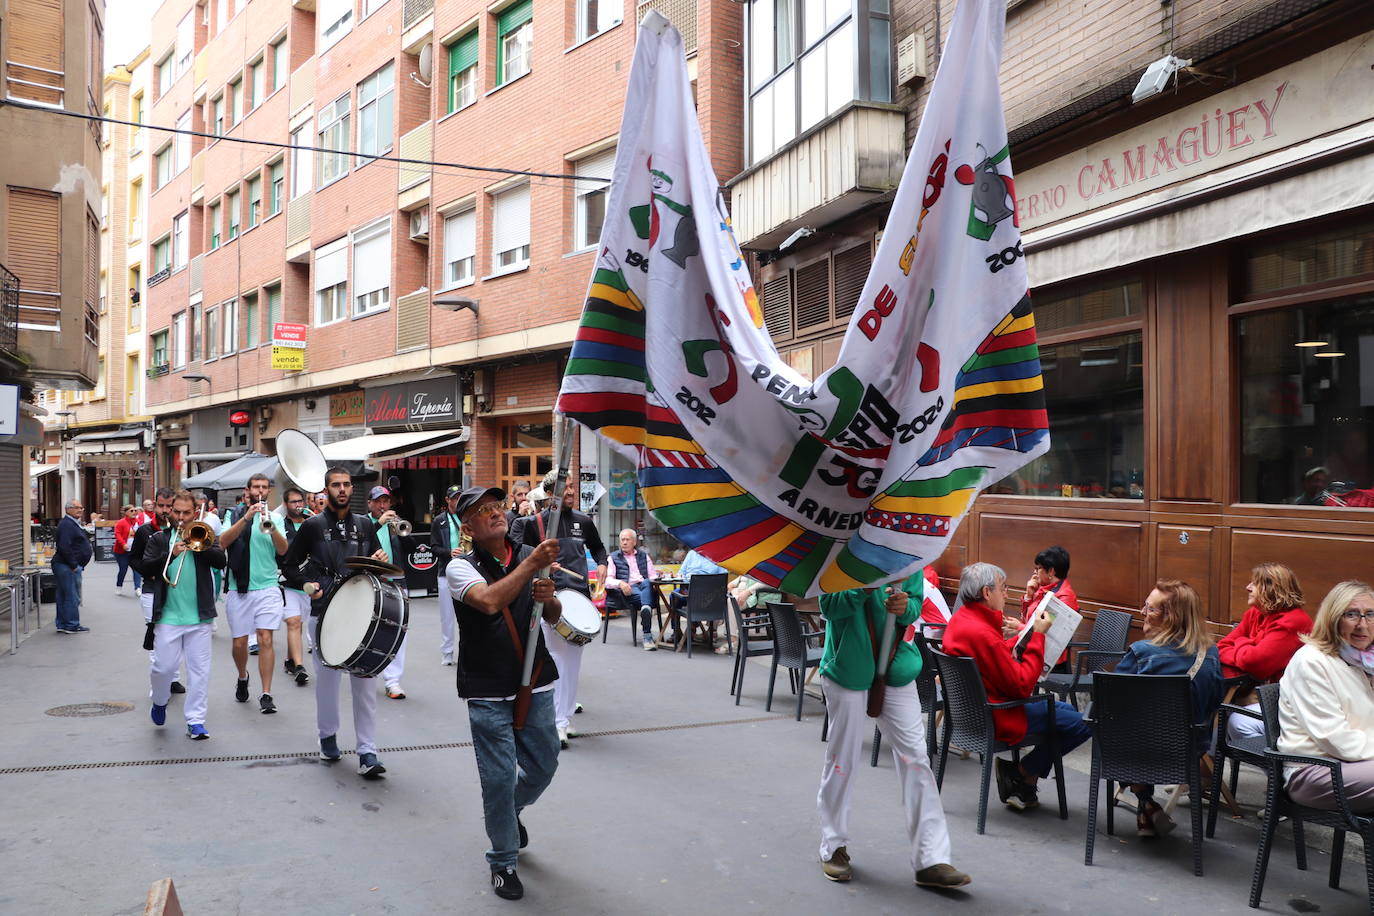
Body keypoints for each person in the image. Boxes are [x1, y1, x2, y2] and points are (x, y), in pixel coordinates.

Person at [445, 485, 563, 901]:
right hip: (487, 686)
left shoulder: (528, 550)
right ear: (468, 527)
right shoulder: (460, 567)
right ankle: (503, 860)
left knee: (545, 765)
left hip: (535, 675)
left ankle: (510, 814)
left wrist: (549, 599)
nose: (495, 513)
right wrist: (533, 565)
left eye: (498, 506)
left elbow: (551, 613)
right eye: (483, 511)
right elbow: (490, 601)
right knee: (497, 779)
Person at [816, 575, 971, 889]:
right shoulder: (843, 553)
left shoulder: (909, 551)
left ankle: (931, 858)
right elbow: (829, 607)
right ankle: (833, 846)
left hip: (896, 669)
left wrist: (904, 607)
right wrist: (863, 588)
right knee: (842, 760)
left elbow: (915, 607)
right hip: (848, 668)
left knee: (916, 758)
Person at [940, 562, 1092, 812]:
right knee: (1084, 722)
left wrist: (1016, 643)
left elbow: (992, 659)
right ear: (987, 593)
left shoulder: (961, 620)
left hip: (974, 713)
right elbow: (1021, 686)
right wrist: (1039, 636)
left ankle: (1024, 779)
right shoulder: (982, 633)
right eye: (1003, 588)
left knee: (1067, 716)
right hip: (999, 714)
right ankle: (1022, 772)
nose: (1007, 593)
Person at [281, 467, 391, 778]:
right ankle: (327, 735)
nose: (341, 489)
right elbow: (289, 565)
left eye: (345, 484)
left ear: (351, 488)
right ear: (326, 489)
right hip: (325, 611)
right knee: (328, 684)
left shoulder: (365, 526)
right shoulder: (312, 526)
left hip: (361, 612)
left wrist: (379, 562)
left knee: (365, 684)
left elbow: (371, 566)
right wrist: (305, 585)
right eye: (335, 485)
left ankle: (367, 751)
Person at [1114, 579, 1223, 836]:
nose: (1143, 613)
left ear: (1171, 618)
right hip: (1188, 755)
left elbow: (1111, 705)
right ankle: (1146, 808)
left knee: (1117, 728)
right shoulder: (1211, 655)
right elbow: (1214, 703)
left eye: (1151, 609)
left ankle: (1145, 801)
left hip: (1133, 755)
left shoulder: (1141, 653)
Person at [512, 469, 608, 749]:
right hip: (549, 598)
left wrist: (602, 564)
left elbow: (599, 548)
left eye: (572, 488)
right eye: (565, 489)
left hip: (579, 599)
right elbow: (515, 553)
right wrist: (538, 561)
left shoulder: (583, 521)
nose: (570, 493)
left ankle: (564, 718)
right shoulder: (535, 524)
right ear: (551, 493)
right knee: (556, 658)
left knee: (572, 662)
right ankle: (557, 722)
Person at [1277, 580, 1374, 813]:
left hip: (1361, 762)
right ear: (1333, 619)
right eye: (1352, 615)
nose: (1363, 625)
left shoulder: (1366, 660)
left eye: (1370, 614)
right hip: (1316, 770)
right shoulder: (1312, 661)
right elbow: (1334, 738)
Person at [143, 489, 227, 739]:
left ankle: (196, 720)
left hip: (199, 617)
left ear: (195, 513)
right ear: (170, 511)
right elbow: (147, 568)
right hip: (168, 616)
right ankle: (159, 700)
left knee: (200, 672)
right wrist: (172, 555)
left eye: (186, 513)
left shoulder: (202, 536)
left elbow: (220, 561)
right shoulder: (160, 539)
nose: (181, 517)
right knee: (163, 668)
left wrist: (200, 546)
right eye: (176, 512)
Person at [218, 473, 290, 714]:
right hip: (240, 588)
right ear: (247, 491)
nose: (260, 490)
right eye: (255, 487)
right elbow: (222, 542)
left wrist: (270, 526)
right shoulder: (233, 514)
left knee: (266, 639)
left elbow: (283, 550)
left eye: (264, 487)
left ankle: (266, 693)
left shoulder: (276, 518)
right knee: (239, 643)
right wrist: (246, 519)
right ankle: (242, 676)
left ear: (269, 491)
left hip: (268, 587)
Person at [1218, 563, 1310, 743]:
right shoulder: (1255, 613)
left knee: (1237, 722)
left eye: (1255, 583)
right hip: (1255, 691)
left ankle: (1279, 769)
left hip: (1287, 702)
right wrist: (1248, 647)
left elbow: (1256, 663)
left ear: (1271, 589)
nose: (1248, 587)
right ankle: (1206, 766)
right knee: (1213, 706)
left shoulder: (1293, 621)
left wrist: (1242, 642)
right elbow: (1221, 647)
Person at [130, 488, 183, 695]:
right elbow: (134, 558)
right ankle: (158, 683)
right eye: (161, 506)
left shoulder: (182, 529)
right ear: (155, 505)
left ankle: (174, 679)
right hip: (152, 589)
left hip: (175, 589)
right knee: (156, 635)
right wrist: (147, 573)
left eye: (169, 506)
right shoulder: (144, 530)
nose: (165, 510)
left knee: (176, 635)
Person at [367, 485, 408, 699]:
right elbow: (360, 542)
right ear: (370, 504)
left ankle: (393, 680)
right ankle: (368, 669)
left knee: (399, 629)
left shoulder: (394, 523)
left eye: (386, 501)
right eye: (378, 501)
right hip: (371, 581)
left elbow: (411, 546)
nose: (383, 506)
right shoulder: (363, 523)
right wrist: (377, 523)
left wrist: (400, 531)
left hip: (396, 580)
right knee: (370, 629)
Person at [603, 528, 661, 651]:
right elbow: (607, 581)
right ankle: (647, 635)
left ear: (634, 542)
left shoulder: (644, 556)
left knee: (647, 582)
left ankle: (646, 609)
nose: (624, 542)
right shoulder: (613, 557)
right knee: (647, 599)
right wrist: (621, 583)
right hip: (628, 589)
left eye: (627, 540)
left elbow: (652, 576)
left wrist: (660, 576)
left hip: (644, 586)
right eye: (622, 540)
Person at [1020, 545, 1078, 666]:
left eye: (1038, 568)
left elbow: (1046, 633)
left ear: (1051, 571)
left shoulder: (1063, 597)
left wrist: (1018, 627)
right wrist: (1029, 596)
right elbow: (1026, 620)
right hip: (1032, 647)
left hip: (1049, 660)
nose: (1034, 572)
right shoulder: (1042, 590)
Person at [277, 487, 314, 675]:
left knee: (301, 624)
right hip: (290, 582)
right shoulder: (281, 526)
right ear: (285, 505)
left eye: (300, 501)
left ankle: (290, 660)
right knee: (294, 622)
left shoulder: (313, 523)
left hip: (311, 583)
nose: (298, 505)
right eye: (293, 502)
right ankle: (299, 666)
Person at [431, 484, 465, 666]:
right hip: (446, 571)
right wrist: (449, 552)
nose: (457, 501)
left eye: (459, 497)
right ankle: (447, 650)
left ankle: (467, 650)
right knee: (447, 615)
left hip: (466, 571)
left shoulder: (467, 517)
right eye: (454, 498)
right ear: (447, 500)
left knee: (467, 614)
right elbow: (434, 547)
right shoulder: (439, 521)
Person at [667, 548, 728, 644]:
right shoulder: (692, 553)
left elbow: (723, 579)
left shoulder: (718, 555)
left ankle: (697, 628)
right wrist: (676, 576)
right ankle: (676, 631)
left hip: (709, 594)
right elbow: (681, 573)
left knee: (681, 596)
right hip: (688, 590)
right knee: (673, 596)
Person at [53, 498, 93, 634]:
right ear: (68, 509)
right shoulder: (67, 524)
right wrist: (74, 564)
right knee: (71, 596)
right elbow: (64, 546)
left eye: (81, 508)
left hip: (66, 565)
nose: (80, 510)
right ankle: (71, 625)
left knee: (64, 595)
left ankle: (63, 624)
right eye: (77, 507)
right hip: (67, 566)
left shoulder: (71, 523)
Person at [113, 505, 142, 597]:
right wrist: (123, 544)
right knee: (123, 569)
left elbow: (141, 533)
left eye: (135, 510)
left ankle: (137, 588)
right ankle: (119, 586)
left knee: (136, 569)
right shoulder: (121, 522)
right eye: (131, 511)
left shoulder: (138, 522)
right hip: (122, 551)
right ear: (126, 512)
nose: (134, 512)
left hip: (134, 550)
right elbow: (117, 534)